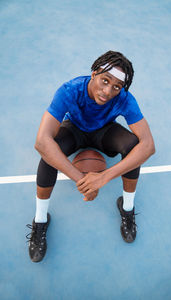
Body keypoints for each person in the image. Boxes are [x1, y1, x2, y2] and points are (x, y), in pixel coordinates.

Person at [26, 50, 155, 262]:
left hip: (104, 131)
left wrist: (104, 177)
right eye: (105, 80)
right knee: (49, 152)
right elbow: (41, 141)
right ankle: (40, 220)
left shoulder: (124, 98)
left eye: (116, 87)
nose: (108, 91)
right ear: (93, 73)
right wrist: (82, 180)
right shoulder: (70, 90)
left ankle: (127, 207)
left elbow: (148, 146)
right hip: (74, 129)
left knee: (134, 147)